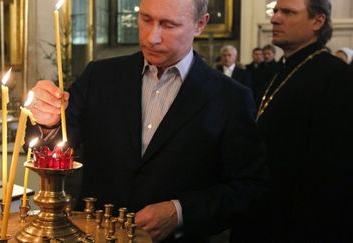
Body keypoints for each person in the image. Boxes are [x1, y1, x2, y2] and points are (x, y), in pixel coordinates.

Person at [26, 0, 268, 242]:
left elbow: (248, 188)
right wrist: (47, 119)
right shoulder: (99, 77)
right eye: (146, 19)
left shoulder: (230, 97)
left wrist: (180, 211)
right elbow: (54, 146)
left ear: (200, 24)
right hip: (95, 234)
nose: (152, 37)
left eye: (169, 25)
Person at [231, 0, 353, 242]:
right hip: (261, 211)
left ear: (317, 21)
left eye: (287, 12)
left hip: (301, 222)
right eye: (275, 11)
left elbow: (334, 171)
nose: (275, 19)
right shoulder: (276, 71)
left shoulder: (337, 77)